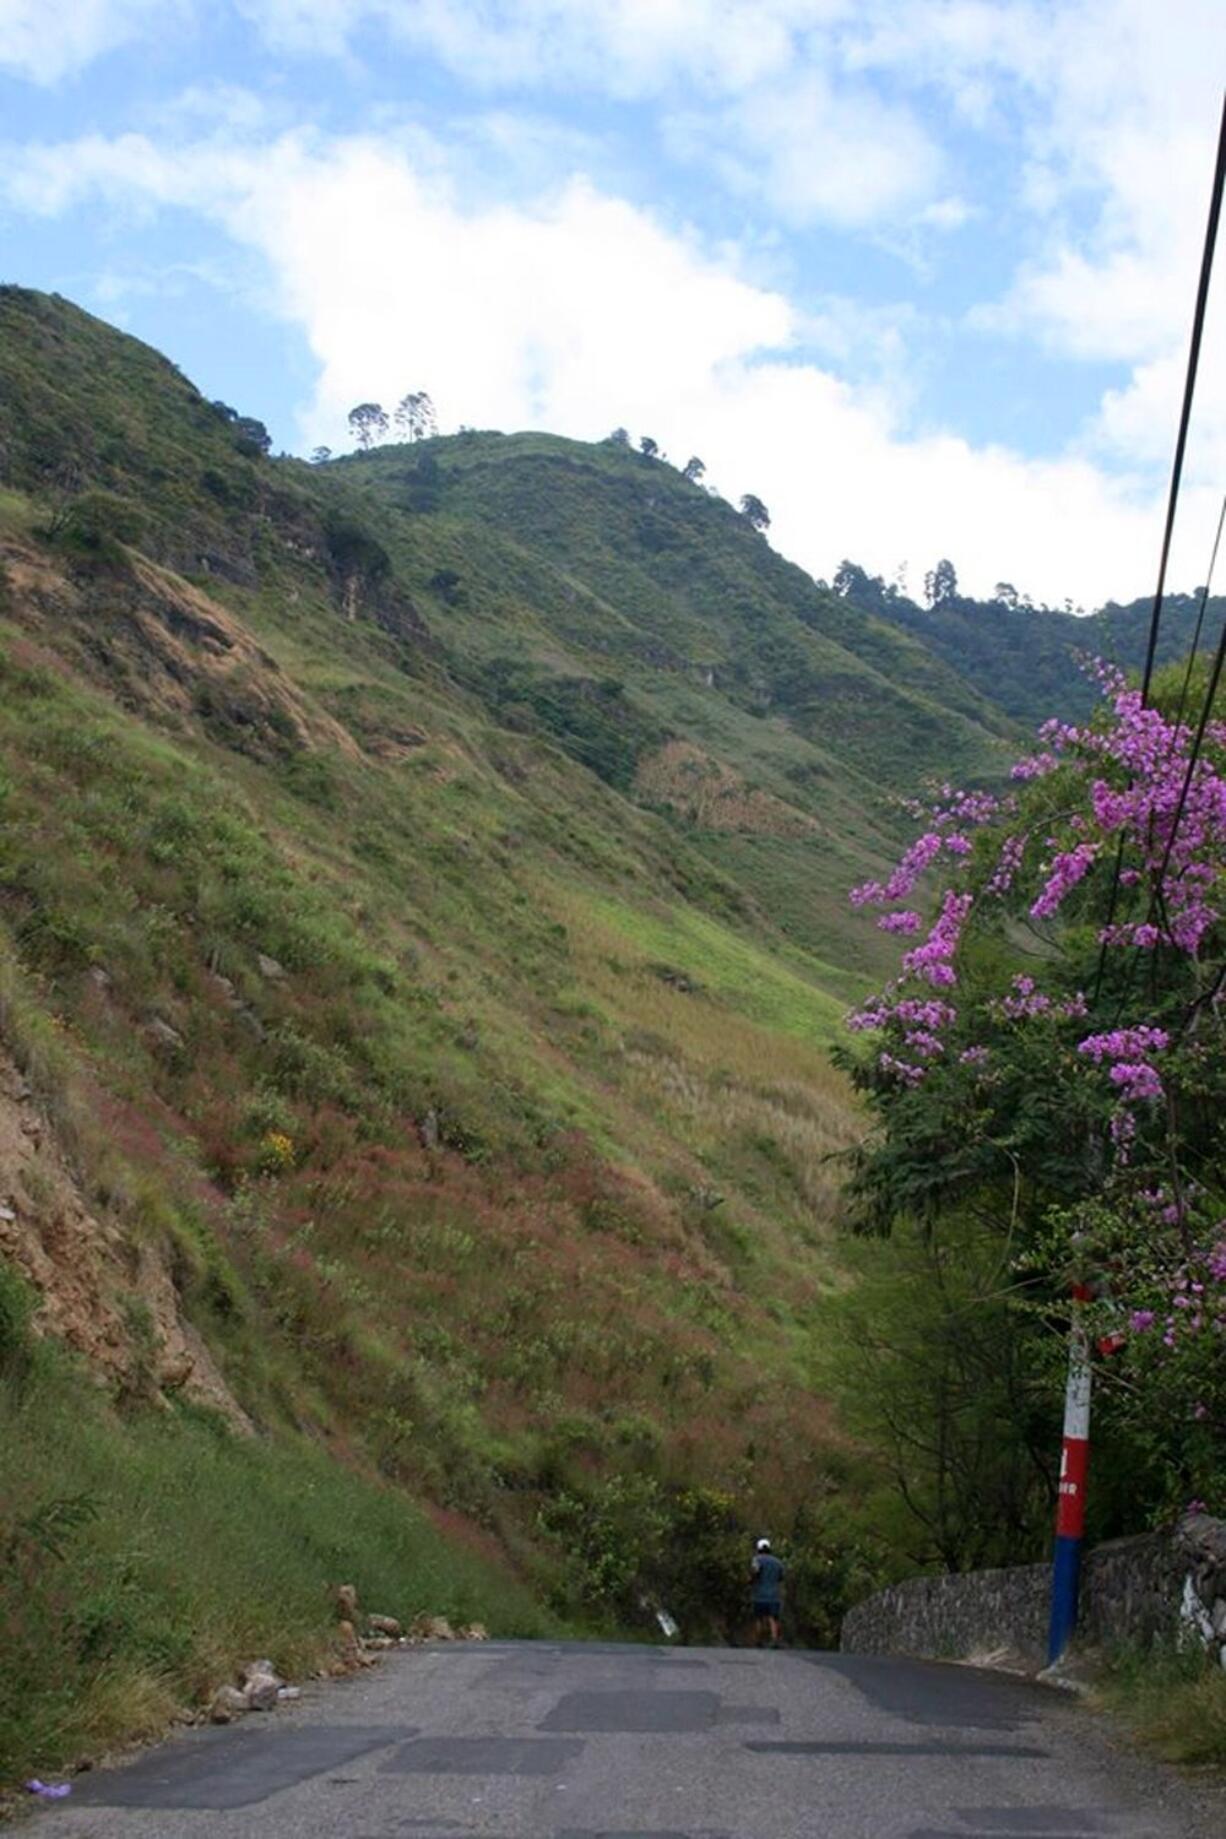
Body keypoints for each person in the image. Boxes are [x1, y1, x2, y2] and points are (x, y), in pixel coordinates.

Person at [749, 1537, 784, 1646]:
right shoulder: (778, 1562)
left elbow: (754, 1573)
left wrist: (751, 1582)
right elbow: (781, 1577)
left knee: (759, 1618)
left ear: (758, 1548)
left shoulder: (756, 1560)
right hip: (774, 1595)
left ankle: (759, 1640)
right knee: (773, 1618)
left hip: (759, 1594)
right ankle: (774, 1640)